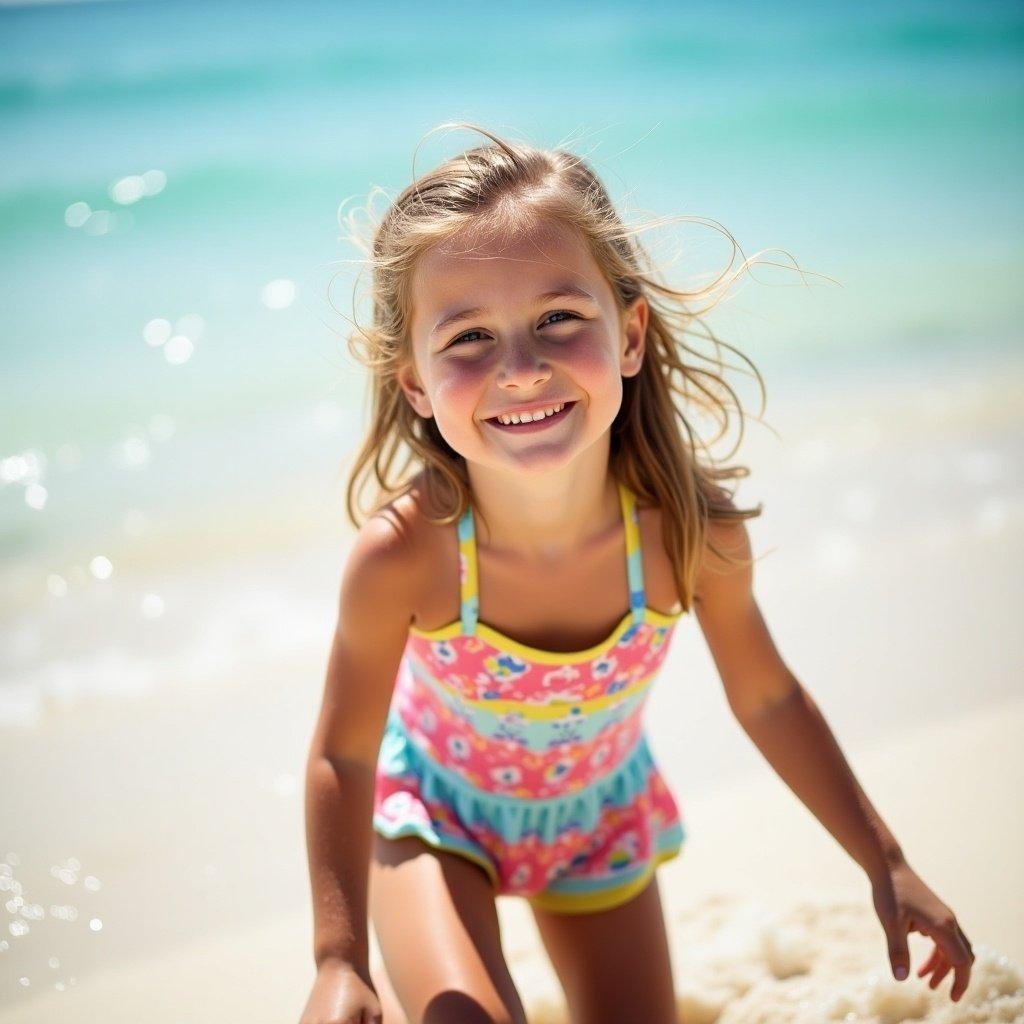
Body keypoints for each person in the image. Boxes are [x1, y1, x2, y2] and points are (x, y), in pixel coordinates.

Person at [300, 123, 975, 1024]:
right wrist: (338, 959)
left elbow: (767, 696)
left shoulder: (687, 535)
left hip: (595, 823)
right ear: (415, 383)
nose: (521, 368)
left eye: (558, 319)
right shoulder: (406, 554)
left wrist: (884, 859)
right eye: (467, 338)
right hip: (433, 821)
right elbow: (344, 753)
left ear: (628, 332)